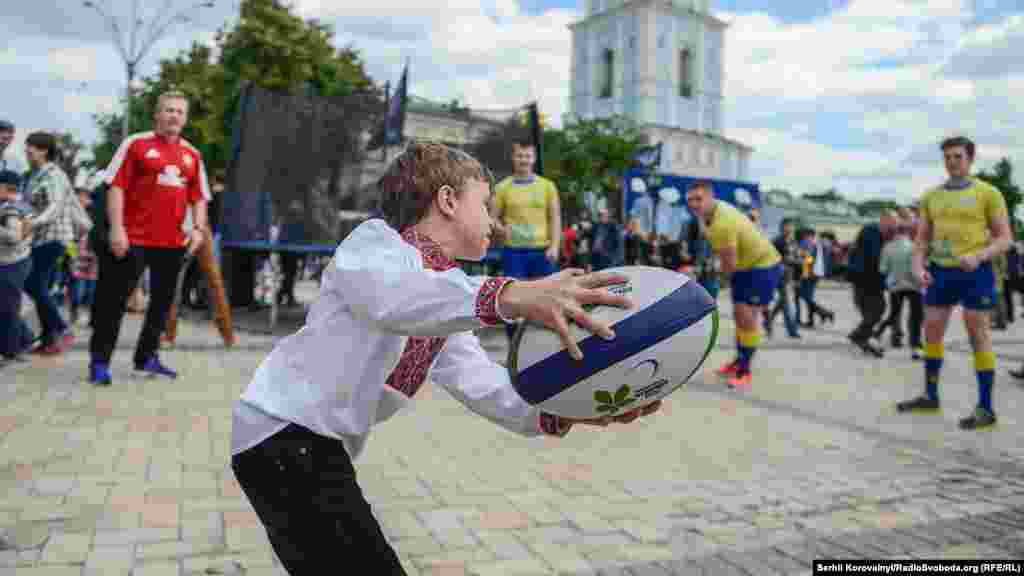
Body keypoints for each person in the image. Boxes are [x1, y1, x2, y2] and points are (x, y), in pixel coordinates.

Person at [229, 141, 660, 574]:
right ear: (448, 200)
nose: (494, 221)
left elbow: (482, 382)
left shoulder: (446, 291)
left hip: (305, 445)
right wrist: (515, 295)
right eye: (485, 203)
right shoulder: (374, 243)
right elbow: (396, 299)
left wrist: (567, 407)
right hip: (283, 431)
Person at [88, 90, 210, 386]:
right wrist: (117, 229)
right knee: (113, 301)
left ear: (185, 118)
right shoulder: (136, 145)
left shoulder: (192, 155)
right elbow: (115, 187)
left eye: (180, 112)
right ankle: (100, 362)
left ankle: (146, 358)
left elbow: (200, 198)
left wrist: (197, 230)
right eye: (168, 110)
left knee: (162, 304)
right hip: (134, 238)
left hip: (171, 243)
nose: (174, 116)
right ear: (157, 114)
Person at [896, 136, 1012, 430]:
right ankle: (930, 395)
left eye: (957, 156)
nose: (952, 162)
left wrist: (979, 256)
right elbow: (921, 240)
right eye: (947, 157)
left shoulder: (988, 193)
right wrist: (917, 267)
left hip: (976, 272)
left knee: (978, 336)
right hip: (941, 272)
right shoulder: (931, 196)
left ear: (970, 159)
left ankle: (985, 408)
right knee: (931, 333)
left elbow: (1005, 239)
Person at [686, 181, 782, 390]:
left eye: (698, 199)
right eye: (690, 200)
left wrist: (704, 277)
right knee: (740, 317)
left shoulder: (722, 223)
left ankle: (744, 370)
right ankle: (740, 360)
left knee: (747, 320)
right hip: (746, 268)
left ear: (711, 197)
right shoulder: (711, 212)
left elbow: (729, 266)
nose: (693, 204)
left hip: (761, 268)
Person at [21, 131, 91, 355]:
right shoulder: (34, 175)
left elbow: (56, 205)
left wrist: (35, 222)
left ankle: (61, 328)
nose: (27, 150)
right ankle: (49, 337)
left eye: (31, 147)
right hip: (38, 238)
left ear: (44, 150)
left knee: (32, 284)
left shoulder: (54, 175)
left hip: (54, 236)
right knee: (37, 285)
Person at [163, 170, 236, 348]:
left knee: (212, 280)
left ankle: (228, 335)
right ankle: (168, 335)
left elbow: (201, 199)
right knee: (174, 282)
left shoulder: (191, 163)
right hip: (179, 225)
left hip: (197, 226)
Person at [846, 212, 896, 357]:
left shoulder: (878, 232)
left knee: (876, 308)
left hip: (871, 277)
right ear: (883, 220)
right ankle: (861, 336)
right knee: (875, 308)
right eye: (891, 225)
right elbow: (875, 257)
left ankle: (862, 336)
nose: (893, 229)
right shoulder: (871, 231)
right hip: (864, 277)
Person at [877, 218, 923, 358]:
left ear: (895, 232)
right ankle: (915, 344)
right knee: (916, 315)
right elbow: (918, 267)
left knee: (894, 314)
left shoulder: (887, 247)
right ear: (908, 232)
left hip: (895, 285)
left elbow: (882, 269)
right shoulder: (914, 246)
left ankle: (878, 333)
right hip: (914, 285)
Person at [0, 170, 34, 364]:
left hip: (12, 262)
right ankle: (24, 339)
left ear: (5, 188)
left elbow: (14, 237)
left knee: (8, 307)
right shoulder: (14, 206)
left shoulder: (12, 209)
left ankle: (12, 350)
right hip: (13, 261)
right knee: (6, 306)